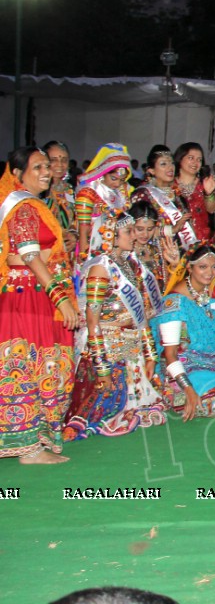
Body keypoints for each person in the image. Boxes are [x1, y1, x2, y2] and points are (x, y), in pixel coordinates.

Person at [0, 147, 81, 464]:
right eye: (38, 167)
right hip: (29, 297)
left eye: (48, 166)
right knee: (27, 367)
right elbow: (31, 256)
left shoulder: (37, 206)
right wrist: (60, 296)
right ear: (18, 174)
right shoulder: (22, 208)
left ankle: (35, 442)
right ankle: (29, 449)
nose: (47, 171)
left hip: (38, 294)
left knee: (44, 366)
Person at [63, 210, 166, 440]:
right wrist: (101, 368)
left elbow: (143, 315)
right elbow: (92, 320)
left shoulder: (131, 264)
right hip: (108, 346)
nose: (134, 236)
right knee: (107, 405)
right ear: (111, 236)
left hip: (131, 343)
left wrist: (150, 355)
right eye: (128, 231)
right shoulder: (101, 268)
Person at [149, 244, 215, 419]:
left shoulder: (210, 295)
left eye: (214, 266)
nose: (210, 272)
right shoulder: (174, 303)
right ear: (189, 268)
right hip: (185, 365)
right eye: (203, 267)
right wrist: (188, 389)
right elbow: (170, 354)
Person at [131, 146, 200, 251]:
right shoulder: (142, 195)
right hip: (154, 252)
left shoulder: (178, 195)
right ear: (152, 170)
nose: (170, 168)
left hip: (179, 253)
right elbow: (136, 230)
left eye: (171, 163)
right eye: (163, 164)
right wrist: (171, 230)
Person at [74, 143, 133, 259]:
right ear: (103, 172)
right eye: (113, 179)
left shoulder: (122, 192)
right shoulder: (88, 192)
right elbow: (83, 227)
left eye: (121, 180)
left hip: (118, 249)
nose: (117, 184)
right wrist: (83, 254)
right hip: (94, 248)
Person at [172, 142, 215, 244]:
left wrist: (208, 193)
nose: (195, 162)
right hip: (176, 241)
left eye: (199, 160)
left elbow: (211, 210)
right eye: (191, 158)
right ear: (180, 159)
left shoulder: (205, 184)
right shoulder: (170, 185)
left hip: (201, 240)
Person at [43, 140, 77, 259]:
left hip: (68, 253)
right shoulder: (39, 189)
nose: (60, 164)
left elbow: (75, 218)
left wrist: (73, 235)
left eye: (64, 160)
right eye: (54, 160)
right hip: (45, 252)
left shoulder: (69, 189)